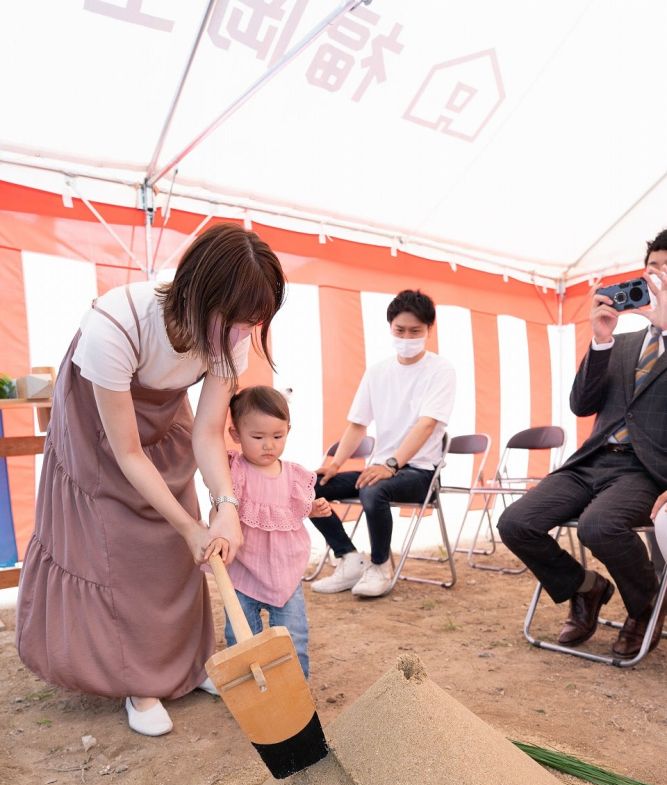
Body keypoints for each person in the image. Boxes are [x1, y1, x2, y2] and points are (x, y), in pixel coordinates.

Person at [16, 224, 286, 736]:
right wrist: (188, 525)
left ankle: (188, 666)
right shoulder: (114, 325)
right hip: (104, 431)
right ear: (194, 294)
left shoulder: (234, 335)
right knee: (125, 548)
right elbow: (127, 453)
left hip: (166, 425)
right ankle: (139, 683)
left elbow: (207, 432)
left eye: (254, 321)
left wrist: (223, 506)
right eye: (235, 320)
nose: (244, 333)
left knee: (180, 550)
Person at [498, 228, 667, 661]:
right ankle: (586, 588)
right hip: (592, 461)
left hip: (644, 470)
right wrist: (601, 339)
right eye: (653, 270)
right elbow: (581, 404)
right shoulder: (622, 342)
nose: (658, 280)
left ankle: (646, 604)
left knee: (599, 526)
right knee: (516, 522)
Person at [309, 289, 456, 598]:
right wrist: (334, 466)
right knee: (307, 487)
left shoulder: (441, 370)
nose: (407, 336)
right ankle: (348, 558)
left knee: (372, 489)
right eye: (400, 330)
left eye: (415, 331)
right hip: (380, 469)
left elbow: (426, 423)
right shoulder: (377, 372)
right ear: (390, 328)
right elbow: (358, 424)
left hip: (419, 473)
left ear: (429, 329)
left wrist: (391, 465)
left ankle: (380, 566)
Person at [221, 385, 331, 677]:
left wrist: (314, 508)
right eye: (257, 437)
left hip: (285, 572)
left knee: (293, 635)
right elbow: (222, 504)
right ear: (236, 435)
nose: (268, 445)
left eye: (277, 436)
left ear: (288, 431)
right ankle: (252, 694)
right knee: (240, 638)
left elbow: (295, 510)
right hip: (243, 571)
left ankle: (296, 692)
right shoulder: (234, 470)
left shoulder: (294, 475)